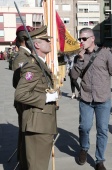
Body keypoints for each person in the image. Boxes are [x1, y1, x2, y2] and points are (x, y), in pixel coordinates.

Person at [71, 27, 112, 170]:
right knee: (84, 127)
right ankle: (84, 148)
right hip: (86, 98)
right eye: (80, 39)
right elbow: (74, 76)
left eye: (84, 39)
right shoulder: (78, 56)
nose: (81, 41)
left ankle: (100, 160)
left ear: (92, 38)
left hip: (103, 98)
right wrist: (80, 60)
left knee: (102, 130)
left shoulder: (105, 53)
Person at [14, 25, 58, 170]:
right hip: (37, 126)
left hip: (42, 124)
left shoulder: (40, 64)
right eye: (46, 40)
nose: (49, 42)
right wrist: (46, 97)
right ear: (37, 44)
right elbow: (21, 94)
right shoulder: (33, 67)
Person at [12, 25, 35, 169]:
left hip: (26, 100)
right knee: (24, 133)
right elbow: (22, 81)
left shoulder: (27, 55)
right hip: (24, 102)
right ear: (26, 39)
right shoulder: (22, 57)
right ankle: (22, 162)